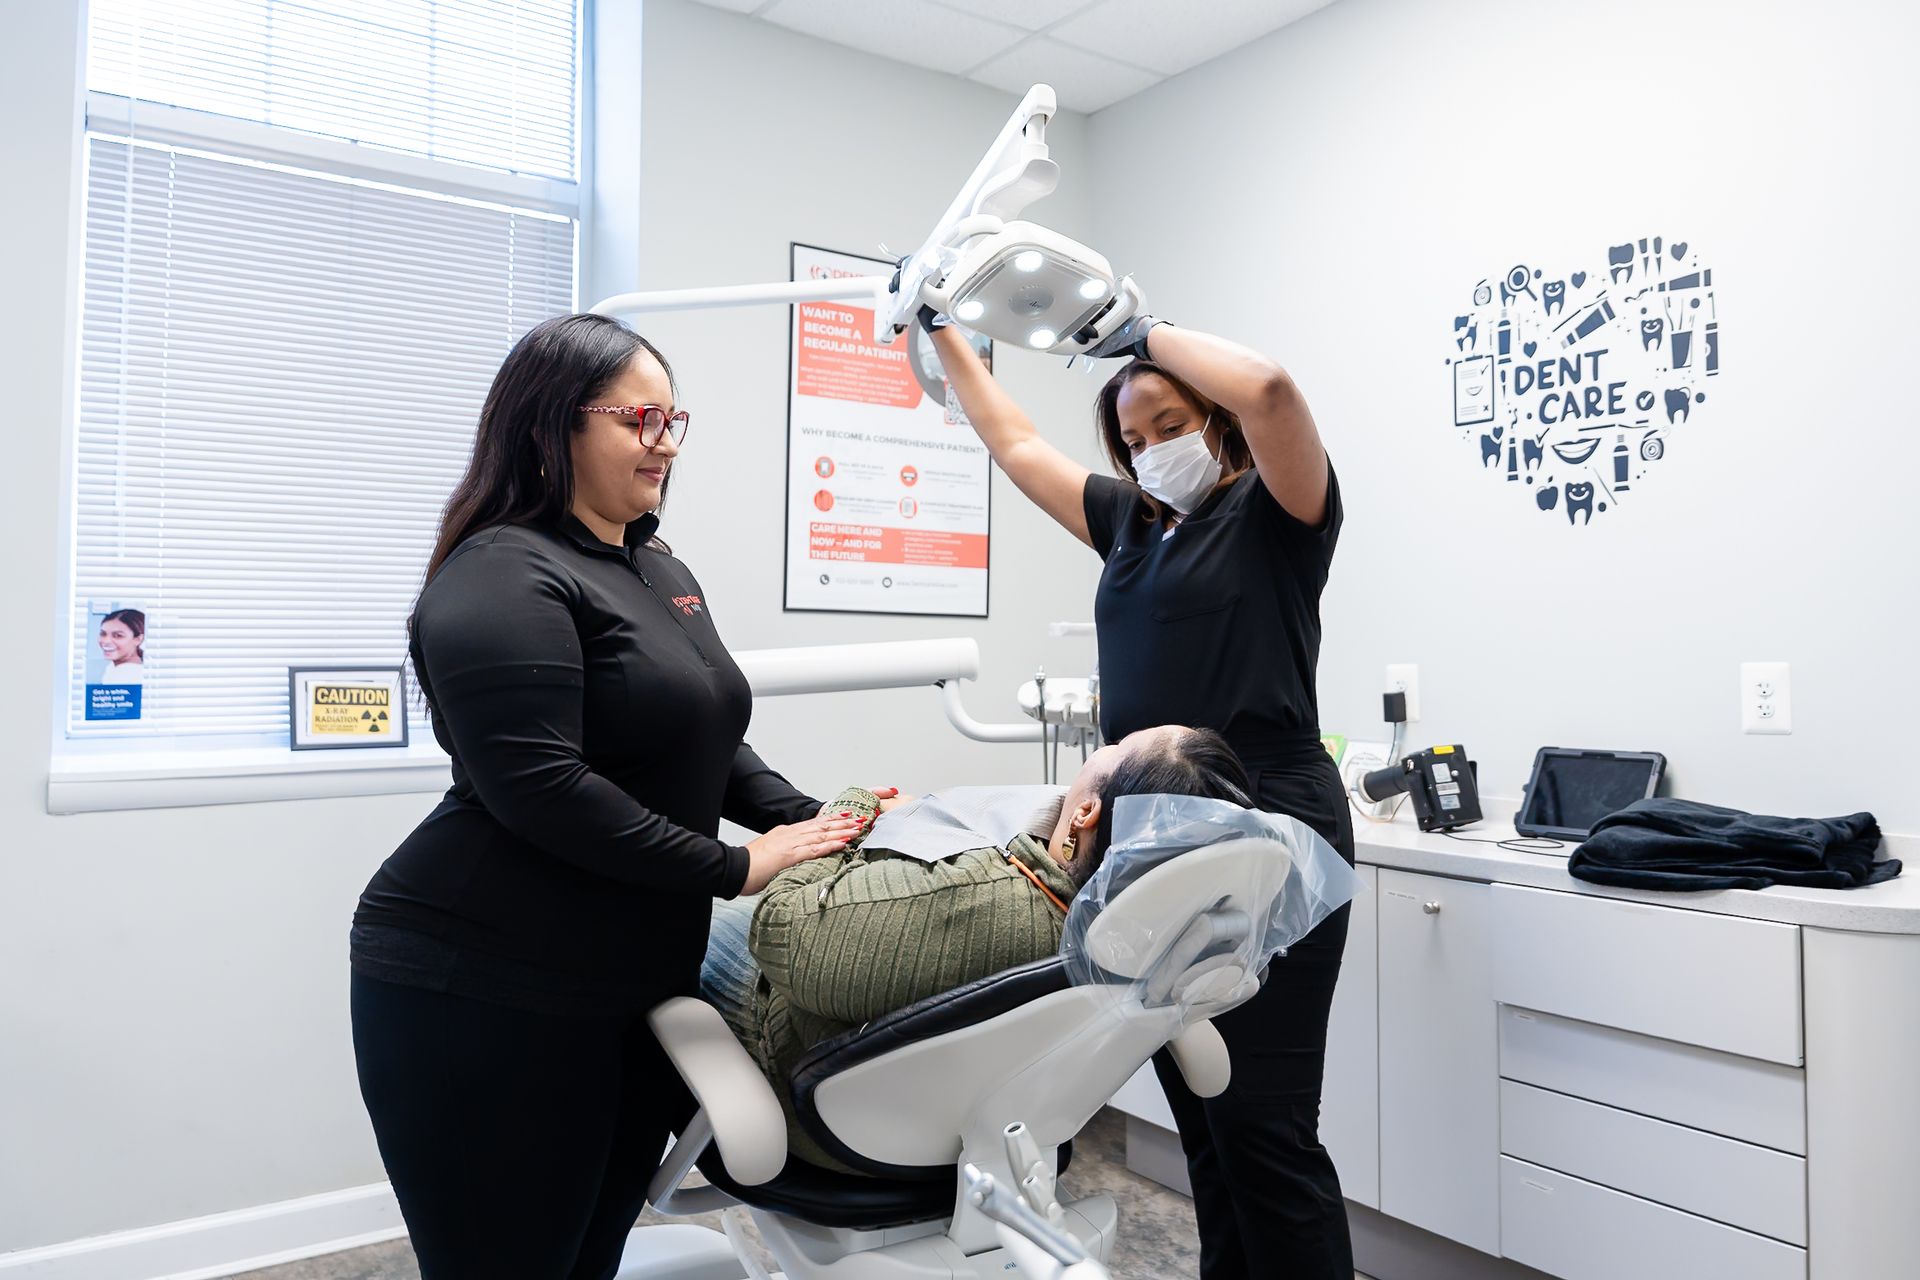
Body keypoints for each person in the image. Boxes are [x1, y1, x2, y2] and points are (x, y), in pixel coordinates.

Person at [349, 314, 890, 1280]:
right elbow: (541, 788)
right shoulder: (501, 575)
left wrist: (817, 824)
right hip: (479, 978)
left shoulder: (656, 566)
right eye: (641, 418)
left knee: (587, 1253)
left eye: (675, 420)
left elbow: (706, 739)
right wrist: (737, 865)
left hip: (630, 979)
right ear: (549, 426)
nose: (665, 443)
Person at [925, 307, 1356, 1279]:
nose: (1151, 449)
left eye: (1170, 426)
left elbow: (1276, 390)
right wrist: (941, 325)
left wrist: (1132, 327)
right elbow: (1016, 439)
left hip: (1263, 828)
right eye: (1132, 438)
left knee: (1266, 1126)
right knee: (1207, 1121)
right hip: (1150, 837)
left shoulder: (1278, 516)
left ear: (1216, 421)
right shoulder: (1131, 522)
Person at [702, 725, 1253, 1172]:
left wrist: (849, 818)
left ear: (1085, 815)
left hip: (839, 1122)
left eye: (1113, 749)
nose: (1101, 748)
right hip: (1004, 1138)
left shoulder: (984, 901)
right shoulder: (1145, 938)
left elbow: (778, 931)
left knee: (675, 916)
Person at [96, 608, 145, 682]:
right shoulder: (114, 667)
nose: (106, 641)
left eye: (118, 635)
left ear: (138, 639)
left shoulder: (129, 675)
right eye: (103, 634)